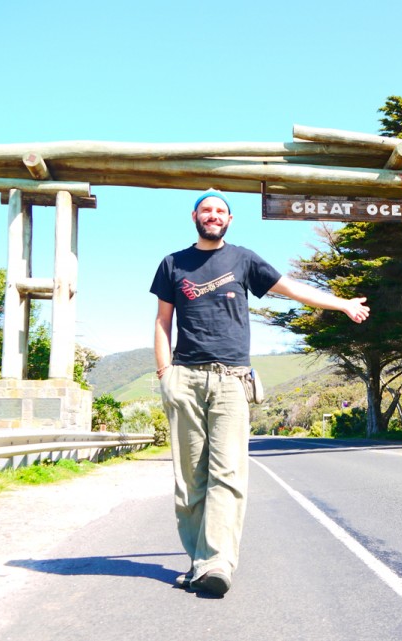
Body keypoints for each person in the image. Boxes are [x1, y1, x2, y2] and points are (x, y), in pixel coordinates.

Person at [150, 189, 369, 597]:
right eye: (207, 210)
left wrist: (340, 303)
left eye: (221, 211)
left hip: (233, 380)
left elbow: (294, 289)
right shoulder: (172, 264)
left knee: (228, 473)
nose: (213, 215)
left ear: (229, 220)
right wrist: (166, 374)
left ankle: (218, 563)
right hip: (185, 378)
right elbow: (163, 323)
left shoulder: (243, 259)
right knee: (189, 481)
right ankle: (199, 563)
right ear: (194, 216)